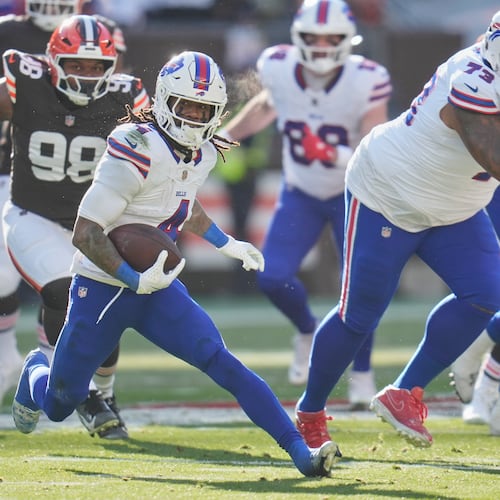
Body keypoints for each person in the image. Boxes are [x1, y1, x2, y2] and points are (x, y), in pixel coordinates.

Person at [11, 50, 341, 477]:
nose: (194, 117)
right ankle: (37, 370)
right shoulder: (135, 147)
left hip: (158, 285)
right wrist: (132, 277)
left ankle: (302, 454)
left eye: (204, 109)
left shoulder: (201, 152)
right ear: (165, 99)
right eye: (186, 105)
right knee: (58, 404)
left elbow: (180, 206)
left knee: (221, 360)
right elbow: (86, 233)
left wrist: (228, 244)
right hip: (103, 289)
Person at [294, 10, 500, 449]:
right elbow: (493, 154)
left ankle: (405, 391)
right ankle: (310, 412)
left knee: (488, 294)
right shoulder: (473, 79)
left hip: (456, 207)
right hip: (388, 196)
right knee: (359, 316)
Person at [219, 0, 392, 406]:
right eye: (313, 37)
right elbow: (265, 105)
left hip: (354, 193)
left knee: (358, 290)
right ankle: (307, 328)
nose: (321, 45)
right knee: (271, 276)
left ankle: (362, 375)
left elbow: (378, 150)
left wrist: (332, 154)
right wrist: (221, 140)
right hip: (301, 192)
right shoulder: (277, 66)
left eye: (331, 38)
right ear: (297, 37)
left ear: (347, 40)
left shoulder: (366, 79)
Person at [0, 14, 149, 438]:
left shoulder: (127, 97)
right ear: (52, 62)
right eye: (76, 65)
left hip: (94, 222)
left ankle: (104, 389)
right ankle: (82, 393)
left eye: (95, 66)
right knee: (68, 293)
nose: (86, 76)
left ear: (111, 67)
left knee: (109, 307)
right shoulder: (25, 80)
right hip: (34, 217)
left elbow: (156, 151)